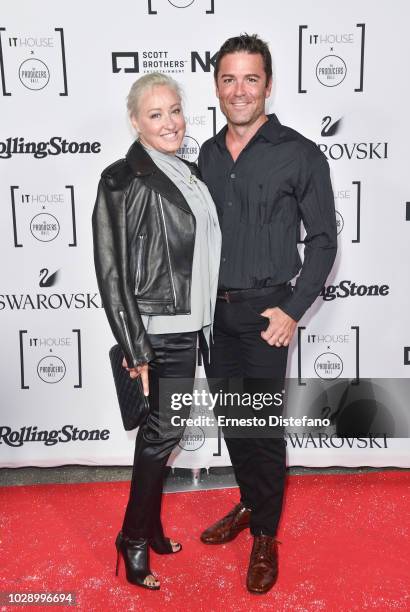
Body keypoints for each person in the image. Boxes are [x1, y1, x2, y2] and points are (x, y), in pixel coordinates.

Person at [198, 34, 337, 594]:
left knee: (261, 427)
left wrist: (294, 310)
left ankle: (265, 534)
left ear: (268, 84)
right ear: (217, 87)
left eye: (250, 79)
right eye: (229, 79)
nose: (239, 90)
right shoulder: (206, 154)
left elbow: (324, 242)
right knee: (233, 421)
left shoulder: (301, 152)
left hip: (266, 317)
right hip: (215, 316)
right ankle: (251, 504)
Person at [92, 72, 221, 590]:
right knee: (161, 435)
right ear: (134, 121)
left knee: (160, 437)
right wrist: (135, 345)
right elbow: (112, 269)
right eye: (155, 114)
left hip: (193, 326)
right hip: (159, 330)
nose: (169, 123)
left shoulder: (190, 172)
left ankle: (153, 524)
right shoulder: (122, 179)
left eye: (174, 111)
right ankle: (133, 538)